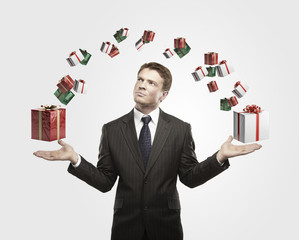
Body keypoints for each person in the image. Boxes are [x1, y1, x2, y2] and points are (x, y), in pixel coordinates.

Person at [34, 62, 262, 240]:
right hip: (126, 228)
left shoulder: (180, 129)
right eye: (140, 79)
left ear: (164, 95)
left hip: (166, 227)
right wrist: (75, 159)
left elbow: (190, 178)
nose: (142, 85)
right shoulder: (112, 129)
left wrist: (219, 157)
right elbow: (105, 182)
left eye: (151, 83)